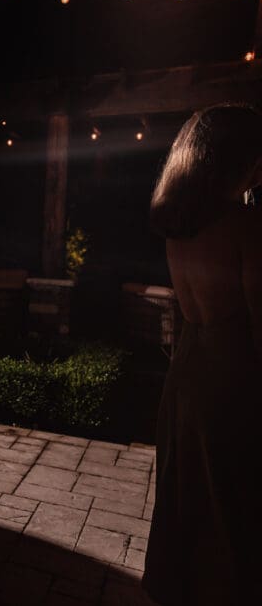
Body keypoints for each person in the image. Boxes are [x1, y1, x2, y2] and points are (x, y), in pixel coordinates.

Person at [142, 103, 262, 605]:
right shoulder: (247, 225)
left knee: (186, 500)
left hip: (187, 376)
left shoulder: (180, 228)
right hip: (233, 380)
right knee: (233, 514)